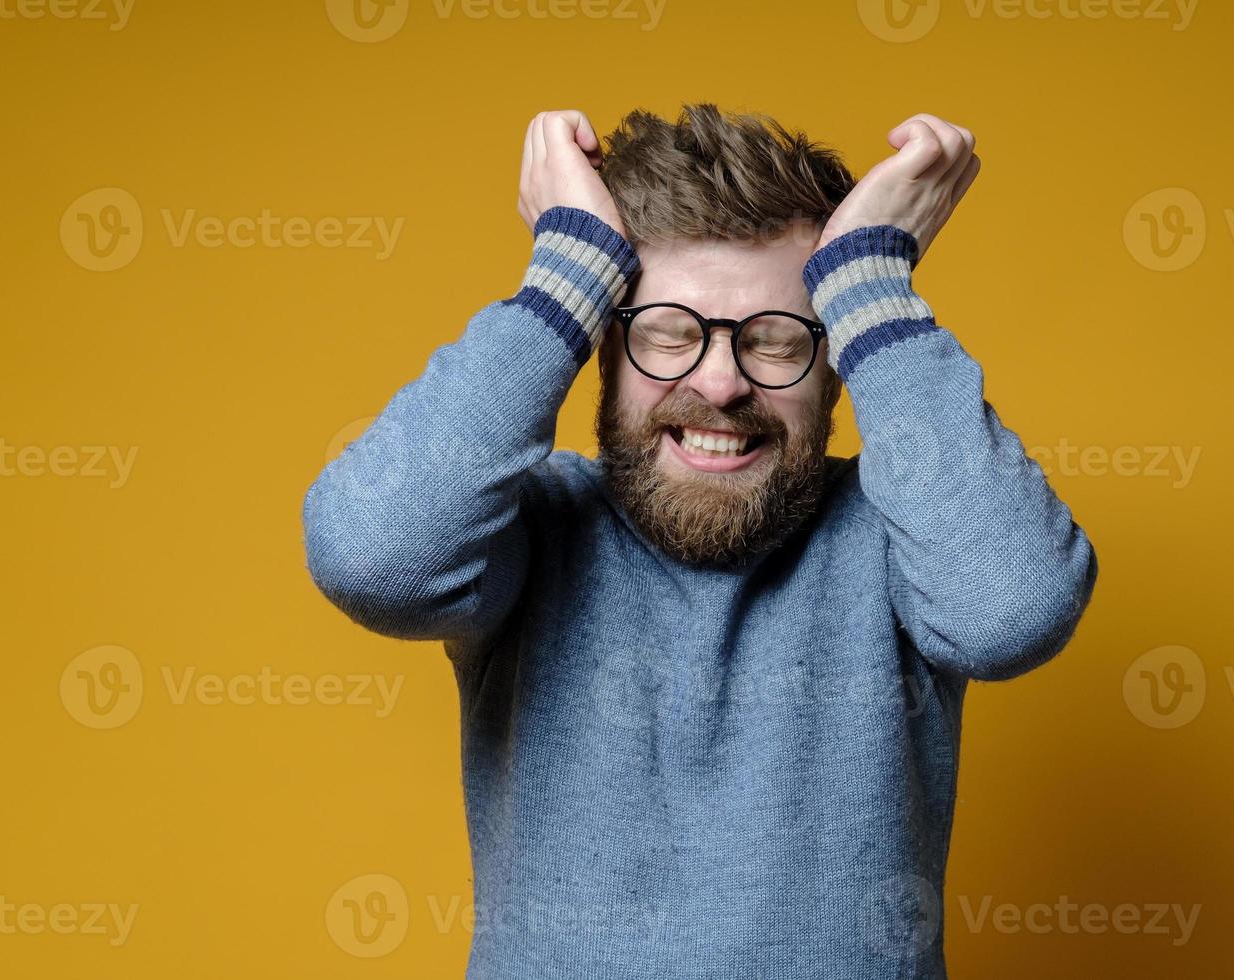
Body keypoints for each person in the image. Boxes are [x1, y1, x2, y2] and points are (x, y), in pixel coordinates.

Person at [303, 103, 1097, 979]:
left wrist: (871, 284)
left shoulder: (901, 536)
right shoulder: (531, 530)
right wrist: (565, 271)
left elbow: (1014, 610)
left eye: (774, 339)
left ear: (838, 361)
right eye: (669, 333)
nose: (719, 383)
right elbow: (371, 555)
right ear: (600, 348)